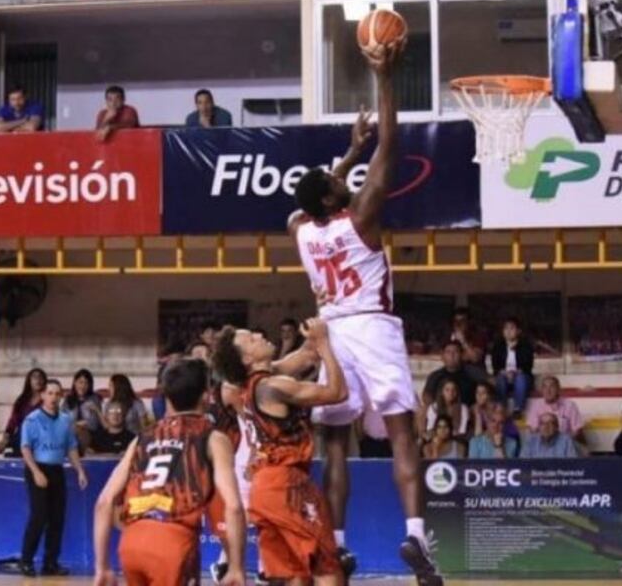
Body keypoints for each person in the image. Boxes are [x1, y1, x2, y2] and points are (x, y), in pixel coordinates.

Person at [288, 41, 441, 584]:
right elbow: (394, 144)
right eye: (336, 181)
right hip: (373, 327)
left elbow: (306, 202)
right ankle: (416, 534)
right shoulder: (361, 219)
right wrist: (385, 75)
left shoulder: (301, 232)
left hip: (332, 334)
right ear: (333, 200)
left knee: (336, 443)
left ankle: (338, 545)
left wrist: (347, 157)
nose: (343, 179)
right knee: (402, 433)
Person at [213, 319, 345, 585]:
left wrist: (324, 317)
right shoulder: (274, 386)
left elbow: (306, 355)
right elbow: (337, 392)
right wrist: (324, 344)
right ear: (248, 358)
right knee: (327, 567)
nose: (260, 335)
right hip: (286, 481)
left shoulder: (250, 383)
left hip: (263, 488)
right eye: (251, 338)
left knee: (294, 574)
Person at [92, 358, 246, 586]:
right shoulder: (213, 437)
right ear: (206, 395)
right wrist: (235, 566)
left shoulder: (142, 437)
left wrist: (102, 567)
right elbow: (233, 506)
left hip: (132, 542)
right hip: (173, 542)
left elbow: (104, 501)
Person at [19, 379, 88, 577]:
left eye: (57, 394)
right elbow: (25, 448)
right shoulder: (32, 420)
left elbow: (71, 447)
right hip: (38, 469)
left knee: (57, 518)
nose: (53, 397)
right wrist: (36, 472)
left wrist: (80, 471)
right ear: (42, 396)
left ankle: (51, 563)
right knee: (39, 516)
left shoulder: (66, 420)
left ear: (61, 396)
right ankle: (26, 560)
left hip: (57, 470)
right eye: (49, 393)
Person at [0, 368, 48, 456]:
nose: (38, 380)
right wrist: (5, 437)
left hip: (40, 438)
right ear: (29, 381)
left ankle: (10, 446)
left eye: (40, 377)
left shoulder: (47, 400)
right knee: (18, 433)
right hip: (22, 435)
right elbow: (12, 421)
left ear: (45, 381)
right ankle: (5, 444)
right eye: (34, 377)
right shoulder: (22, 400)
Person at [490, 317, 534, 416]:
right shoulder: (498, 346)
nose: (508, 331)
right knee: (500, 379)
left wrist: (516, 372)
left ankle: (518, 409)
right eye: (506, 328)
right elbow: (495, 365)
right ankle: (502, 408)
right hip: (504, 375)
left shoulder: (525, 345)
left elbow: (528, 365)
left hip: (521, 374)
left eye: (512, 328)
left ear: (518, 331)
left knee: (520, 379)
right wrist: (504, 372)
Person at [422, 340, 486, 407]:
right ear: (442, 356)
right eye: (448, 352)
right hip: (441, 411)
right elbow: (426, 395)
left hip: (468, 410)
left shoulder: (472, 372)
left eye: (455, 352)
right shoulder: (435, 375)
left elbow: (489, 383)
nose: (452, 355)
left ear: (461, 355)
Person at [525, 375, 585, 442]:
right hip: (543, 445)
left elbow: (577, 431)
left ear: (558, 389)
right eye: (545, 387)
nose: (548, 390)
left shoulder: (570, 405)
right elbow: (533, 430)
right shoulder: (536, 405)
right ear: (542, 390)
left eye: (552, 386)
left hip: (565, 444)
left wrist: (563, 443)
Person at [63, 368, 103, 451]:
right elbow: (63, 421)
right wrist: (76, 424)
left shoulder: (94, 399)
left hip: (90, 436)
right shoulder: (68, 400)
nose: (83, 386)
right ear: (75, 383)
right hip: (71, 434)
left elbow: (95, 424)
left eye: (86, 383)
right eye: (80, 382)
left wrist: (81, 425)